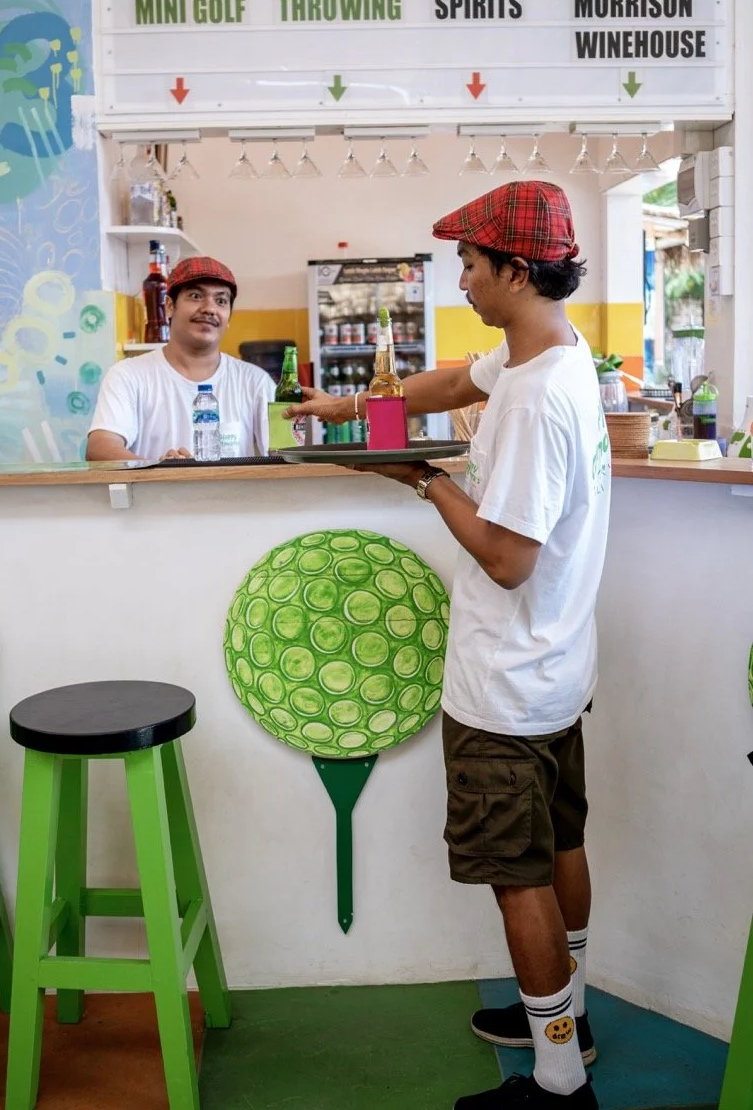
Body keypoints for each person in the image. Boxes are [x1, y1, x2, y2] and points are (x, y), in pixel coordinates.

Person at [288, 181, 610, 1109]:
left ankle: (555, 1082)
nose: (460, 278)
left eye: (469, 262)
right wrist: (345, 412)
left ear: (513, 269)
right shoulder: (552, 355)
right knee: (557, 844)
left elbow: (507, 558)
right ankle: (567, 1014)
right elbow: (448, 382)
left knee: (516, 879)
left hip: (504, 683)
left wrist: (421, 477)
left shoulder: (535, 401)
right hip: (555, 666)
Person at [87, 256, 274, 462]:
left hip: (234, 495)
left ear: (228, 317)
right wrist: (160, 471)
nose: (209, 308)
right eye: (195, 296)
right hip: (152, 494)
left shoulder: (255, 382)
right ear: (169, 306)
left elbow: (284, 456)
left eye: (221, 301)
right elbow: (100, 448)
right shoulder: (128, 375)